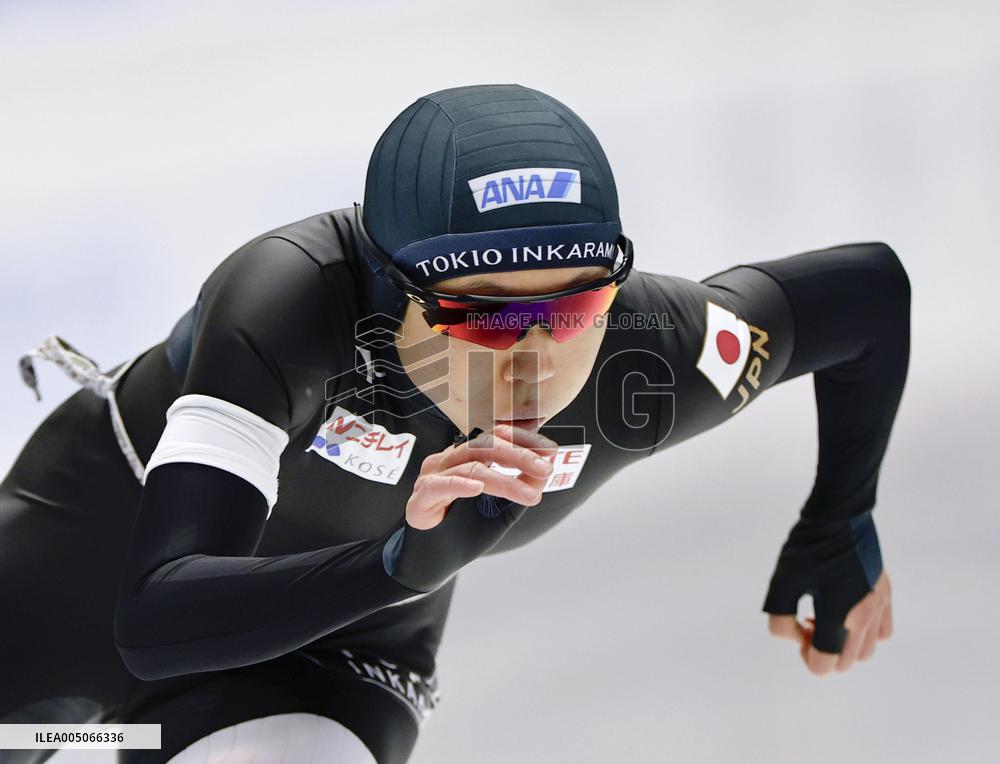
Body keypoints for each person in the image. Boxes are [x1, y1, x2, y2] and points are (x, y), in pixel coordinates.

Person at [0, 83, 909, 764]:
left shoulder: (653, 348)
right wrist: (397, 562)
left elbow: (869, 293)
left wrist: (840, 519)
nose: (532, 358)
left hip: (337, 650)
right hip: (95, 570)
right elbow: (153, 617)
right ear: (385, 287)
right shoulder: (291, 302)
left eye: (573, 309)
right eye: (482, 314)